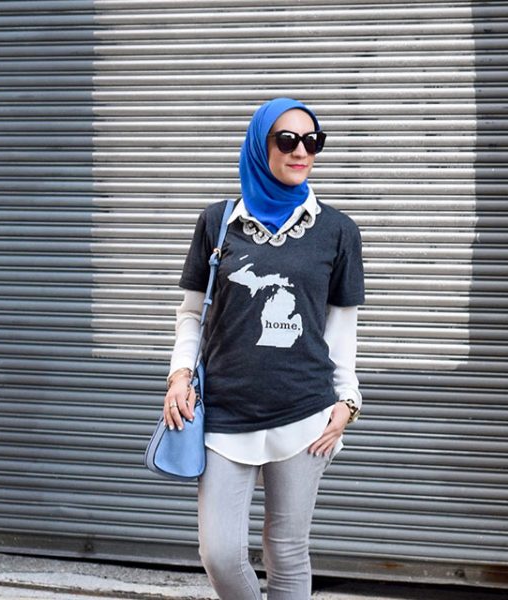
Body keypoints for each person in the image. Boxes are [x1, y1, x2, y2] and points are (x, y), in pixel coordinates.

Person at [163, 97, 365, 600]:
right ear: (259, 145)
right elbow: (191, 313)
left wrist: (348, 400)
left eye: (313, 142)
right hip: (225, 412)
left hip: (304, 411)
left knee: (288, 550)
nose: (302, 152)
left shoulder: (338, 231)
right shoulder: (218, 222)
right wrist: (179, 375)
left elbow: (342, 327)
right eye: (288, 140)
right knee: (220, 554)